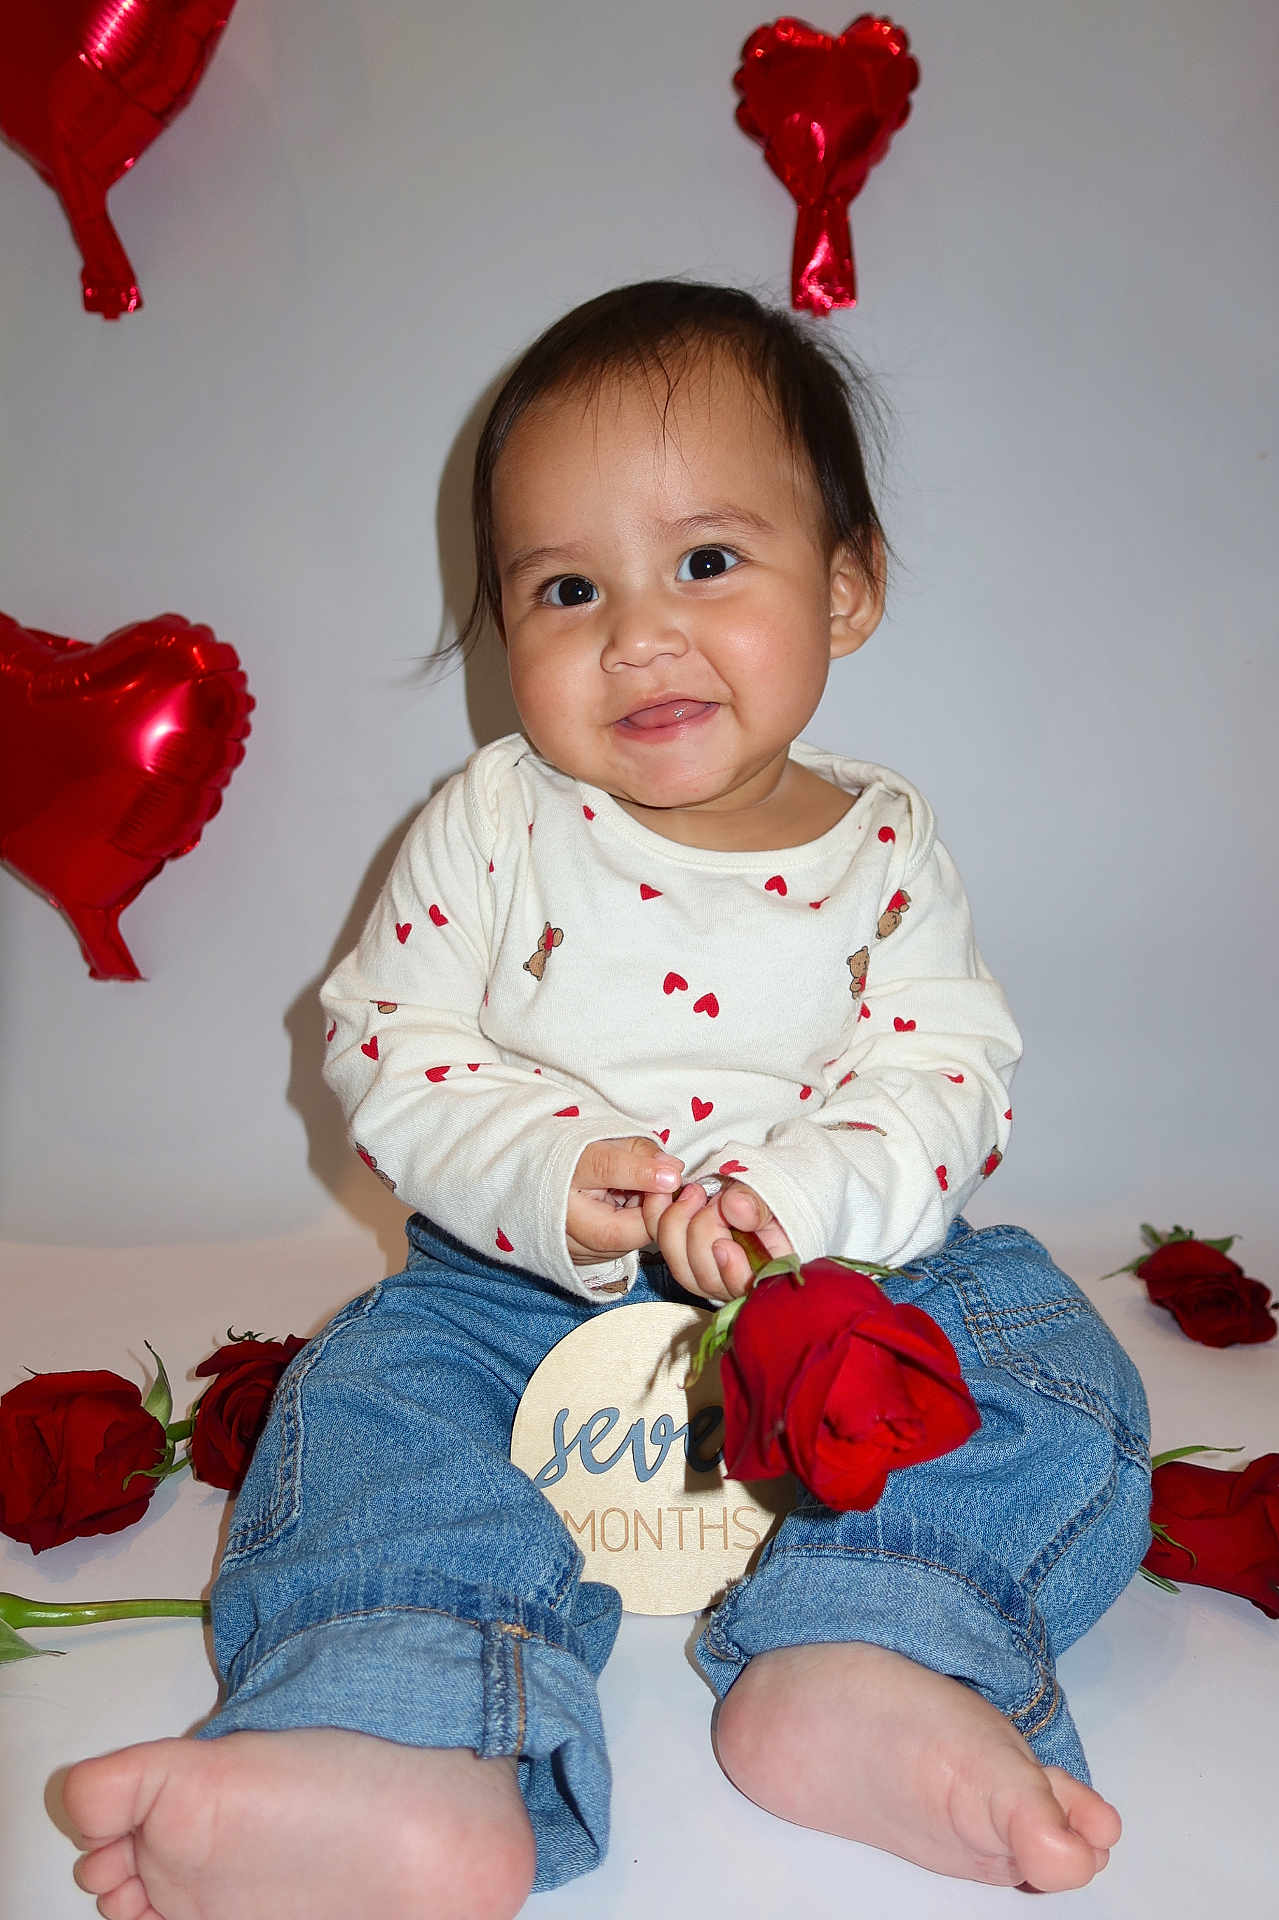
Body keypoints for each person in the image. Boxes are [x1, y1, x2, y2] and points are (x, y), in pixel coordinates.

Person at [63, 280, 1152, 1919]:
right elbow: (392, 1036)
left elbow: (945, 1065)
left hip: (849, 1289)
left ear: (846, 586)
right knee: (373, 1409)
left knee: (1049, 1374)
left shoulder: (883, 848)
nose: (638, 632)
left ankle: (877, 1648)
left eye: (706, 562)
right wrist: (556, 1171)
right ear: (505, 630)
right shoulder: (494, 821)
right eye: (568, 587)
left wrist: (807, 1199)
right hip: (517, 1294)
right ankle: (402, 1730)